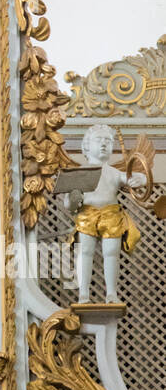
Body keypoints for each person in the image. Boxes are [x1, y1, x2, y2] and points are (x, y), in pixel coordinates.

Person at [69, 124, 145, 303]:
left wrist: (140, 178)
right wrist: (73, 200)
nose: (103, 144)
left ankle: (112, 293)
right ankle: (83, 294)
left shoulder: (114, 173)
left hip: (111, 215)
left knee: (111, 252)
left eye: (107, 141)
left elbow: (138, 179)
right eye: (98, 140)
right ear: (87, 146)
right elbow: (69, 203)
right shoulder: (80, 173)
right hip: (87, 215)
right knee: (85, 252)